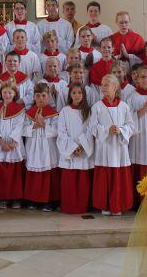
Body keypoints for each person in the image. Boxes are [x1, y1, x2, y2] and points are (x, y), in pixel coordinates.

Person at [90, 74, 136, 216]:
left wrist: (121, 130)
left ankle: (118, 205)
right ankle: (105, 205)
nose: (102, 87)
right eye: (102, 84)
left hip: (119, 148)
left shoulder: (124, 106)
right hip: (104, 148)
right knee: (104, 176)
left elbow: (131, 126)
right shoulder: (97, 106)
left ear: (115, 87)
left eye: (106, 85)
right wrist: (106, 130)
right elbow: (92, 127)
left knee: (119, 177)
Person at [57, 83, 94, 214]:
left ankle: (82, 206)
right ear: (70, 95)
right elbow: (61, 132)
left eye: (79, 93)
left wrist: (82, 146)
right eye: (74, 93)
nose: (77, 95)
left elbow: (90, 131)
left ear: (84, 95)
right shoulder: (64, 111)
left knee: (83, 182)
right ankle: (69, 206)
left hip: (83, 150)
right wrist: (73, 147)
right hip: (70, 151)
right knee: (69, 182)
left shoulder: (88, 111)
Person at [0, 82, 26, 209]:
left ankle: (16, 199)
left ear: (15, 94)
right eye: (5, 92)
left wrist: (13, 143)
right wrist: (1, 142)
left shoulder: (20, 110)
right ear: (1, 93)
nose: (7, 95)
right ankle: (2, 198)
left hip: (14, 146)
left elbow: (20, 126)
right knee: (1, 175)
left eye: (10, 92)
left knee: (15, 174)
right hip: (0, 146)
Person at [22, 83, 59, 211]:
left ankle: (49, 201)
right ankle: (33, 200)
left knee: (48, 173)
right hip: (33, 147)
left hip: (48, 147)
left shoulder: (53, 113)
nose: (41, 98)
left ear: (48, 96)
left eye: (43, 95)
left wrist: (44, 125)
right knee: (33, 172)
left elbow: (57, 130)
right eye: (38, 96)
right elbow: (22, 129)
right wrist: (34, 126)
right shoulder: (29, 113)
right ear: (34, 97)